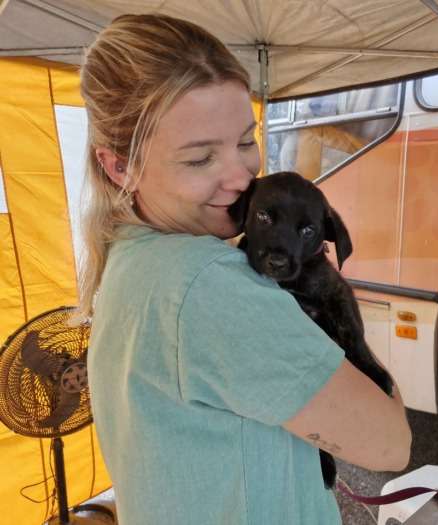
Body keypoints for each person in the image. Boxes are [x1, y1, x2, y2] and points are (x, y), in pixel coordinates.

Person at [79, 13, 411, 525]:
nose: (240, 177)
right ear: (120, 166)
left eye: (245, 141)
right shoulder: (208, 284)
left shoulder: (129, 255)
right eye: (199, 159)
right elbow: (391, 445)